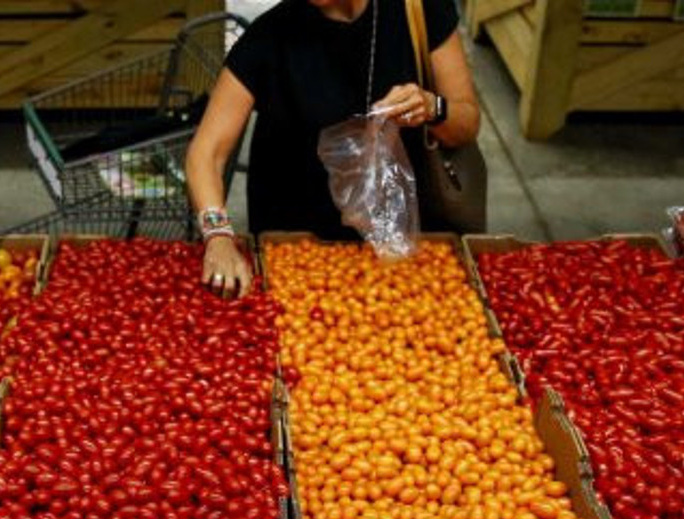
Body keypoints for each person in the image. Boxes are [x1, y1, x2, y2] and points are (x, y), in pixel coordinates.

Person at [186, 0, 481, 297]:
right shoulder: (271, 36)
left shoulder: (418, 12)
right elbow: (207, 152)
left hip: (404, 254)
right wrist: (217, 234)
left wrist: (433, 107)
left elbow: (466, 124)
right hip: (300, 259)